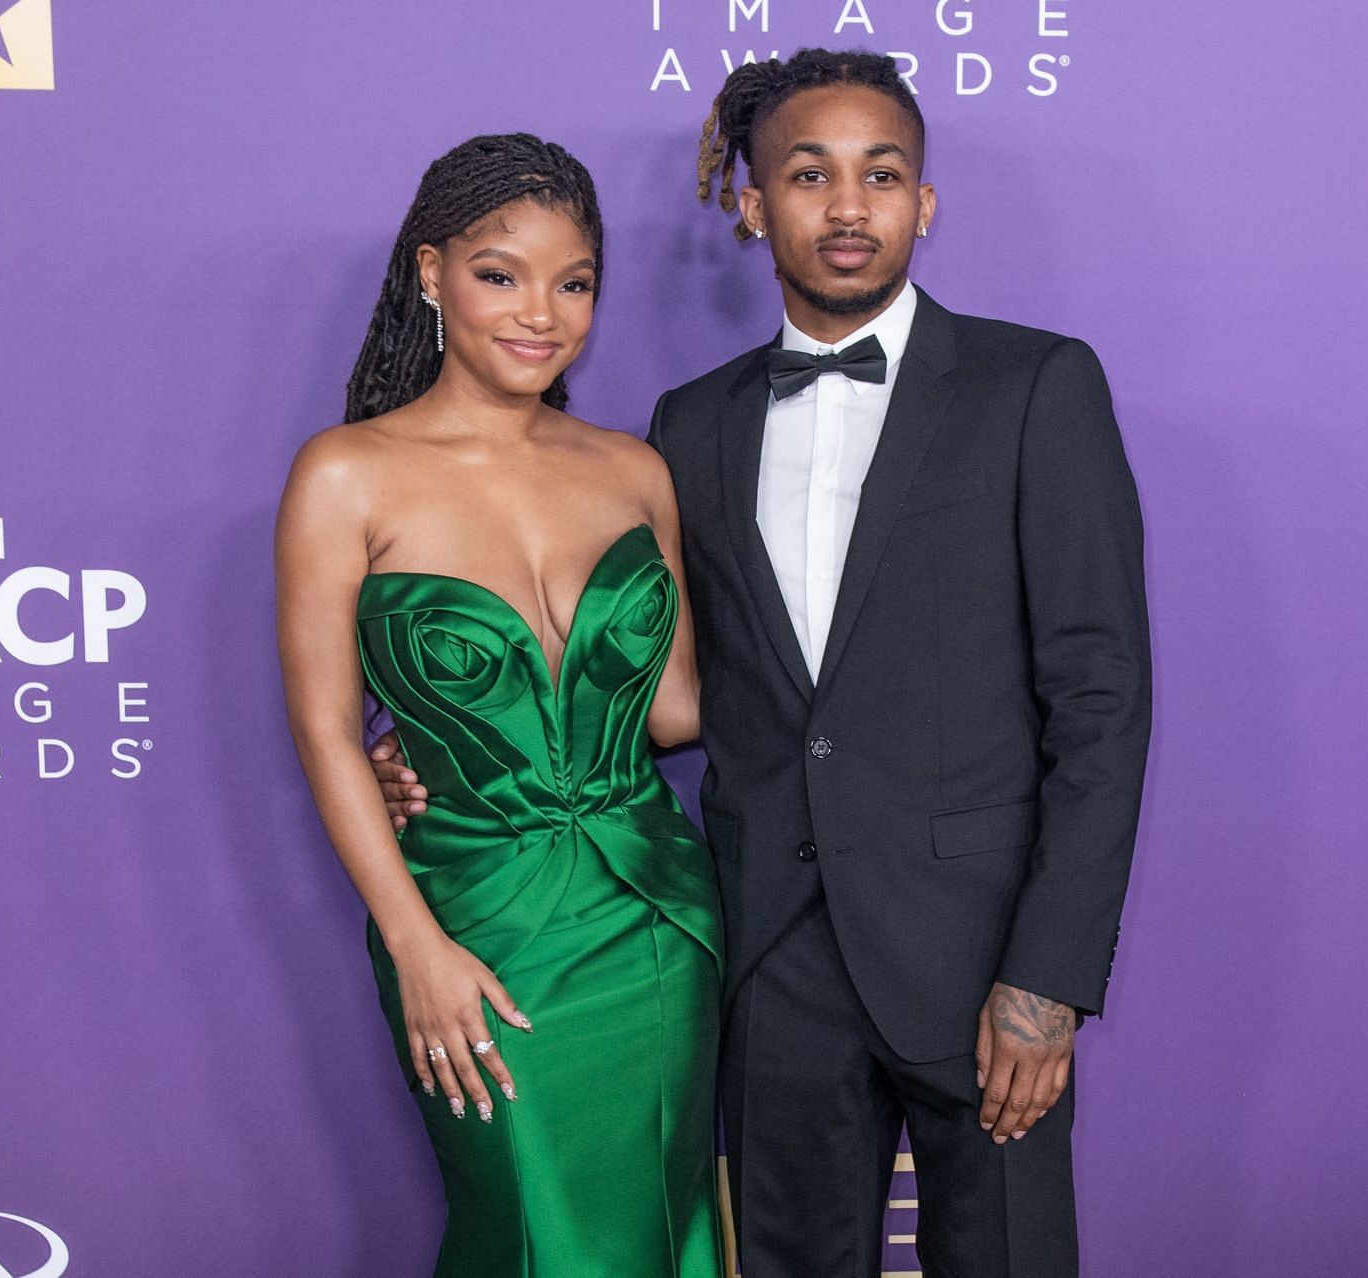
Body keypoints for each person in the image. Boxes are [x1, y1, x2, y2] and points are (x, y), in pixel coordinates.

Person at [375, 48, 1151, 1277]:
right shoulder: (692, 423)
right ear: (751, 205)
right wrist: (443, 735)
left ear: (923, 204)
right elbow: (668, 687)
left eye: (882, 175)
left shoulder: (1036, 386)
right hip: (768, 952)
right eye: (808, 174)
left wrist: (1046, 980)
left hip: (981, 961)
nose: (848, 207)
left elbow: (1102, 704)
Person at [275, 134, 725, 1278]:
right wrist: (416, 943)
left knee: (659, 1230)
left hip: (657, 913)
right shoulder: (346, 474)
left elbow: (673, 712)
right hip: (474, 921)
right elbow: (327, 731)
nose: (542, 313)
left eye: (574, 283)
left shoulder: (634, 470)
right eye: (500, 274)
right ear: (431, 274)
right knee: (531, 1230)